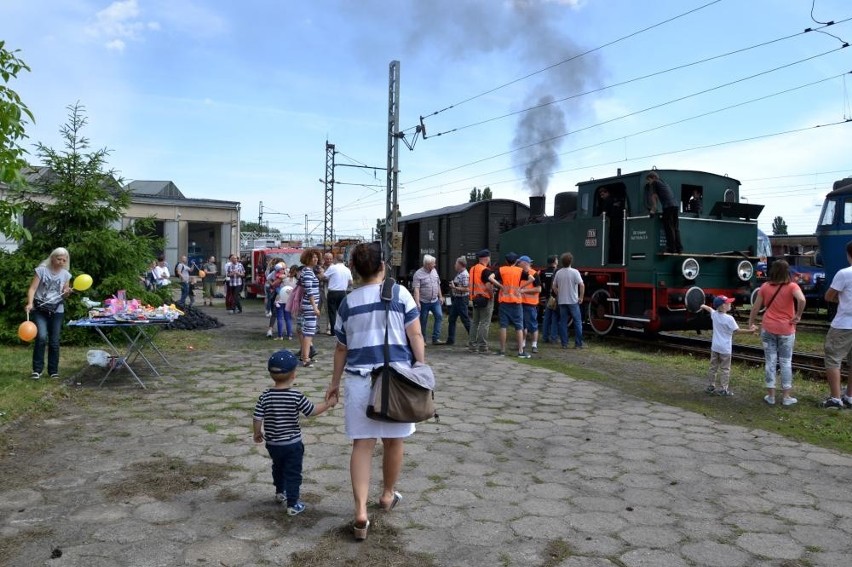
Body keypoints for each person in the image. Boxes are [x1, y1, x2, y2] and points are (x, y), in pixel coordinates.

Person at [325, 241, 426, 541]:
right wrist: (421, 368)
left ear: (354, 270)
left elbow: (341, 348)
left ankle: (360, 512)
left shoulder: (347, 303)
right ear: (383, 266)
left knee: (362, 445)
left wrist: (333, 384)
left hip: (359, 383)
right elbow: (416, 333)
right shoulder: (401, 294)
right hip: (397, 382)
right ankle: (386, 494)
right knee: (394, 442)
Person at [253, 349, 338, 516]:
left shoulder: (265, 396)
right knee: (293, 472)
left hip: (273, 444)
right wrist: (329, 403)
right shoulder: (295, 396)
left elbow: (257, 417)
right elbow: (312, 411)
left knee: (278, 467)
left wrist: (257, 433)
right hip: (292, 444)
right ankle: (292, 504)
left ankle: (280, 492)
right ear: (293, 374)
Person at [747, 259, 806, 406]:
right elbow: (802, 300)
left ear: (773, 271)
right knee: (786, 362)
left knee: (770, 361)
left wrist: (751, 323)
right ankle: (786, 397)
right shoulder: (792, 286)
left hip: (768, 328)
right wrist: (798, 315)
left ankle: (771, 396)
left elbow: (755, 307)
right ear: (787, 272)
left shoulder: (765, 287)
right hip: (786, 329)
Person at [25, 247, 73, 380]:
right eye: (59, 259)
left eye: (64, 260)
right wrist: (30, 303)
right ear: (52, 258)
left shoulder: (66, 275)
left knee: (54, 341)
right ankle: (37, 370)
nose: (62, 262)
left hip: (57, 310)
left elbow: (64, 294)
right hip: (40, 309)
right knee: (41, 338)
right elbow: (32, 289)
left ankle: (53, 371)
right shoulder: (41, 271)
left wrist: (67, 292)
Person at [699, 296, 753, 396]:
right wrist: (750, 331)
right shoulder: (729, 319)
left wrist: (703, 305)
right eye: (728, 303)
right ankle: (723, 389)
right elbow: (737, 331)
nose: (730, 304)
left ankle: (711, 386)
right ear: (724, 306)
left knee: (713, 367)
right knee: (725, 369)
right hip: (725, 349)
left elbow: (710, 309)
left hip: (715, 347)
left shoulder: (714, 315)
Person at [820, 240, 852, 409]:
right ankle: (850, 396)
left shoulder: (844, 274)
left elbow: (828, 296)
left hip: (844, 324)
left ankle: (835, 398)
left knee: (833, 359)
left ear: (848, 255)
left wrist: (840, 299)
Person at [495, 252, 532, 358]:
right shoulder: (520, 271)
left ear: (506, 261)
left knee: (503, 326)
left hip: (504, 302)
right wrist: (521, 288)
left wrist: (500, 286)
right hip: (516, 302)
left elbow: (491, 277)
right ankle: (520, 351)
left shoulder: (502, 270)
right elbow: (532, 279)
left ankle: (502, 350)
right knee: (519, 327)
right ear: (516, 261)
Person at [552, 252, 585, 349]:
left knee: (563, 322)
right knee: (577, 322)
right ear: (571, 261)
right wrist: (581, 297)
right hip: (573, 301)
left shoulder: (558, 272)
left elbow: (554, 286)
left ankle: (564, 344)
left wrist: (559, 293)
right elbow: (581, 285)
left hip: (562, 301)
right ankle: (578, 344)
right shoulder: (575, 272)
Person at [645, 171, 683, 254]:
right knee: (675, 228)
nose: (648, 183)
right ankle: (679, 248)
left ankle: (671, 248)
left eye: (648, 180)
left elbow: (654, 197)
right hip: (675, 206)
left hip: (668, 206)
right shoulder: (664, 183)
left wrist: (652, 211)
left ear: (652, 178)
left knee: (669, 228)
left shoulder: (654, 183)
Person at [468, 249, 496, 354]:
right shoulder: (485, 270)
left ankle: (472, 345)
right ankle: (483, 346)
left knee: (475, 322)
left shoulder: (472, 269)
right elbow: (488, 285)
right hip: (485, 298)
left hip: (475, 298)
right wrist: (492, 295)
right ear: (486, 258)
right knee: (485, 323)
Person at [297, 249, 322, 367]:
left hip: (308, 306)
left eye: (317, 257)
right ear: (307, 259)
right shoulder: (307, 272)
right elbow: (309, 290)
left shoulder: (309, 271)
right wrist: (315, 307)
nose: (316, 259)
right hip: (309, 306)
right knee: (309, 332)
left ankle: (304, 356)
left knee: (305, 331)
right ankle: (306, 358)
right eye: (313, 257)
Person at [413, 254, 444, 345]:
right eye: (432, 264)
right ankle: (423, 340)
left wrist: (441, 296)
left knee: (439, 316)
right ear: (426, 264)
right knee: (423, 320)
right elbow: (416, 289)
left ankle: (436, 338)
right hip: (424, 302)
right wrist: (417, 302)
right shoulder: (418, 274)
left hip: (435, 301)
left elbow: (437, 284)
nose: (434, 265)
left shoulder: (434, 271)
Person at [324, 254, 353, 335]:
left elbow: (324, 276)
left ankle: (333, 332)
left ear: (336, 259)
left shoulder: (333, 267)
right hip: (343, 292)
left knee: (332, 313)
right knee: (342, 312)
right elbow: (351, 282)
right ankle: (343, 330)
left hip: (333, 292)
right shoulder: (347, 269)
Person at [517, 255, 541, 354]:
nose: (518, 264)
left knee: (532, 325)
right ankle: (522, 344)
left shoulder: (534, 274)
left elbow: (538, 289)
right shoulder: (519, 273)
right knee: (522, 325)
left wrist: (524, 291)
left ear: (524, 263)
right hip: (520, 303)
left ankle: (534, 345)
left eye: (519, 263)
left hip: (530, 304)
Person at [446, 256, 471, 346]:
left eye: (456, 263)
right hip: (457, 299)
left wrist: (454, 287)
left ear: (460, 265)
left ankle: (473, 340)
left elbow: (467, 289)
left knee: (465, 319)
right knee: (451, 319)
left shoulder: (464, 275)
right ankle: (450, 339)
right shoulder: (459, 273)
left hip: (461, 299)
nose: (454, 265)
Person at [599, 187, 626, 263]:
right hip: (621, 223)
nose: (602, 197)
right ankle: (619, 257)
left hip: (613, 223)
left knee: (613, 241)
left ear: (607, 192)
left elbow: (604, 213)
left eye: (602, 194)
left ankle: (614, 258)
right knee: (619, 241)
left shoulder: (607, 201)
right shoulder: (617, 200)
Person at [274, 265, 298, 341]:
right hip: (289, 300)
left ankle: (280, 335)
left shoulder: (284, 278)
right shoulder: (296, 281)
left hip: (280, 298)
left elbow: (274, 284)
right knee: (288, 318)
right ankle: (289, 335)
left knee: (280, 318)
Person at [540, 255, 560, 343]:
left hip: (548, 297)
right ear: (554, 262)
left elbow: (543, 284)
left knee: (547, 317)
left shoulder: (544, 272)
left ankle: (545, 336)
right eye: (557, 259)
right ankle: (554, 337)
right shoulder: (557, 272)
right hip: (555, 297)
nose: (558, 260)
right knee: (555, 317)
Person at [266, 262, 286, 338]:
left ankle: (286, 331)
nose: (284, 269)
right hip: (278, 295)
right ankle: (271, 330)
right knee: (275, 312)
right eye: (282, 268)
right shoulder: (276, 274)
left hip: (283, 295)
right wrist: (272, 283)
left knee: (283, 314)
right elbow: (272, 282)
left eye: (284, 268)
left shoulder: (285, 273)